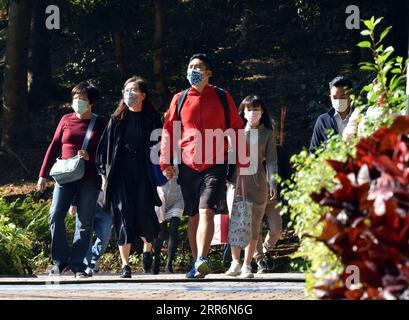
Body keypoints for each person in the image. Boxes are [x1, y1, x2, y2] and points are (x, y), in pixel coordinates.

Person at [159, 53, 247, 278]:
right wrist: (165, 161)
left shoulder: (221, 96)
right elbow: (169, 130)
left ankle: (202, 259)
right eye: (190, 67)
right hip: (188, 165)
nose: (193, 71)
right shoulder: (179, 99)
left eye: (198, 67)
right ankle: (196, 264)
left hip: (215, 163)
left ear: (209, 73)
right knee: (193, 215)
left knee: (207, 209)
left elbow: (236, 128)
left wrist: (242, 162)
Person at [37, 81, 107, 278]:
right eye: (75, 98)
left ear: (91, 102)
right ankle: (60, 261)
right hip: (65, 176)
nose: (77, 102)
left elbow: (107, 153)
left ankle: (78, 265)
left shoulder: (100, 122)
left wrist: (90, 157)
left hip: (89, 178)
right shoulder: (66, 119)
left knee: (84, 222)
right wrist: (43, 174)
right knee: (55, 214)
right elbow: (53, 146)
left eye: (82, 99)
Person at [96, 76, 162, 278]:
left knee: (144, 214)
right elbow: (103, 152)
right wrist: (104, 176)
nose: (129, 94)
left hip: (144, 176)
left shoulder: (152, 119)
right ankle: (125, 265)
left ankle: (147, 249)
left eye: (133, 90)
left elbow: (161, 148)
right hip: (120, 176)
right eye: (126, 90)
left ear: (143, 95)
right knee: (123, 216)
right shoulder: (116, 121)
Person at [225, 95, 278, 278]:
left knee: (254, 224)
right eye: (249, 109)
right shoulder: (235, 131)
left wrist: (273, 182)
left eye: (256, 109)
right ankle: (235, 263)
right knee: (236, 221)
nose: (253, 113)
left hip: (258, 182)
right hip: (236, 182)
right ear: (243, 112)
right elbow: (228, 158)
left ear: (262, 112)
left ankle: (247, 264)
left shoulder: (268, 134)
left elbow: (271, 160)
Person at [68, 190, 112, 276]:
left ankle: (94, 258)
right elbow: (76, 182)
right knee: (86, 236)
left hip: (104, 206)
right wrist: (73, 203)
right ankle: (86, 265)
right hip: (84, 205)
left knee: (105, 235)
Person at [152, 164, 184, 274]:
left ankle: (169, 265)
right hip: (161, 195)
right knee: (160, 232)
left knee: (173, 230)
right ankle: (156, 260)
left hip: (178, 197)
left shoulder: (181, 154)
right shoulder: (159, 153)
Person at [309, 76, 353, 152]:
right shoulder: (323, 121)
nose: (339, 100)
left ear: (350, 95)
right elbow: (313, 152)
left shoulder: (361, 116)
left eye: (342, 97)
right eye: (335, 97)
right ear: (330, 98)